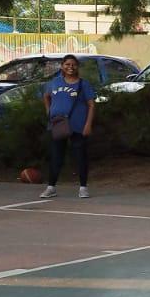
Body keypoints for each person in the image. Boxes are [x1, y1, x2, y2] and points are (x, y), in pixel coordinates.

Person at [41, 54, 94, 199]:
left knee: (80, 156)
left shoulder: (83, 84)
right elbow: (46, 96)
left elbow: (91, 105)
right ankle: (51, 187)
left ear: (77, 67)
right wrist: (49, 110)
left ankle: (83, 187)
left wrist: (88, 124)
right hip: (58, 125)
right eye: (67, 64)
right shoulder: (55, 82)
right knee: (56, 156)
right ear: (62, 66)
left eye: (73, 65)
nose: (70, 67)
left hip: (77, 125)